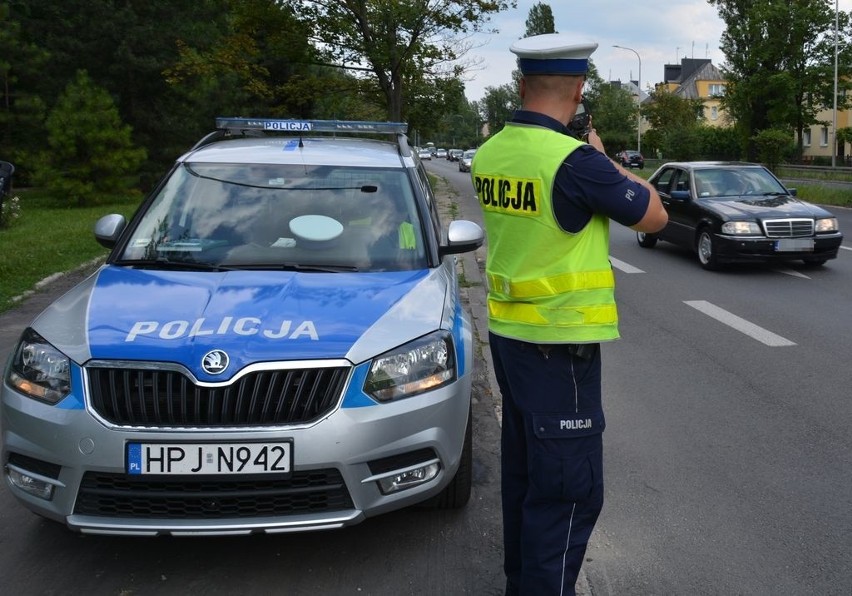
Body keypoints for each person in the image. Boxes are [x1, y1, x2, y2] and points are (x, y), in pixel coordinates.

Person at [469, 33, 668, 595]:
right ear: (579, 90)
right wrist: (607, 160)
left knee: (527, 479)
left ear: (521, 84)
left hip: (509, 338)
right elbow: (653, 215)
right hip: (560, 350)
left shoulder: (492, 151)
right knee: (568, 495)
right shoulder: (577, 163)